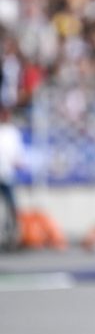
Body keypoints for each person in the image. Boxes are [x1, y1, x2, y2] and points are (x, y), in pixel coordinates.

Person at [0, 105, 24, 250]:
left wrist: (17, 162)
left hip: (7, 175)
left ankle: (11, 237)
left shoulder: (13, 132)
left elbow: (17, 154)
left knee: (12, 207)